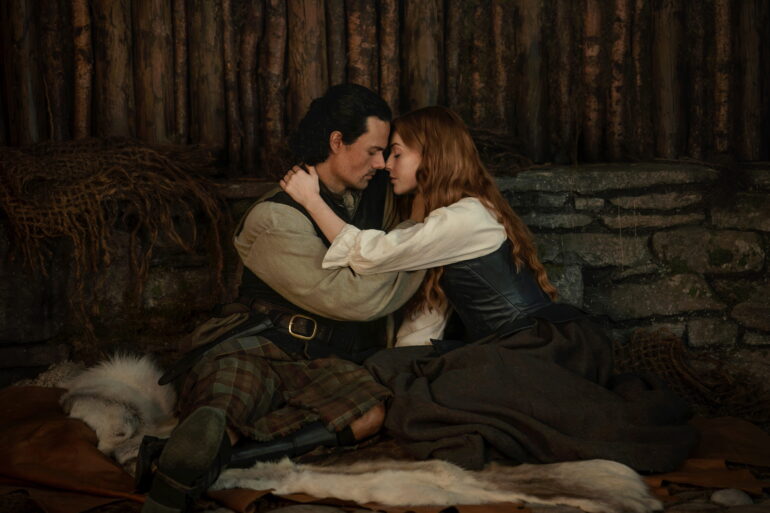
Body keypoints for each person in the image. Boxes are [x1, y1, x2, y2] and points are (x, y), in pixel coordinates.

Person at [280, 105, 698, 472]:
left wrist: (311, 200)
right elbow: (430, 313)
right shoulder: (445, 219)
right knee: (398, 371)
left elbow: (370, 253)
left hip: (541, 349)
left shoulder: (466, 217)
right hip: (516, 347)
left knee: (426, 386)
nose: (388, 164)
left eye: (398, 153)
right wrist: (405, 359)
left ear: (431, 156)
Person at [140, 84, 424, 513]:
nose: (382, 163)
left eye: (386, 153)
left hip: (320, 358)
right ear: (336, 141)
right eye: (372, 151)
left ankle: (177, 460)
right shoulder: (274, 217)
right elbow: (354, 300)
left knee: (368, 415)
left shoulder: (368, 199)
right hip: (258, 344)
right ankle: (183, 474)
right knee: (226, 407)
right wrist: (418, 249)